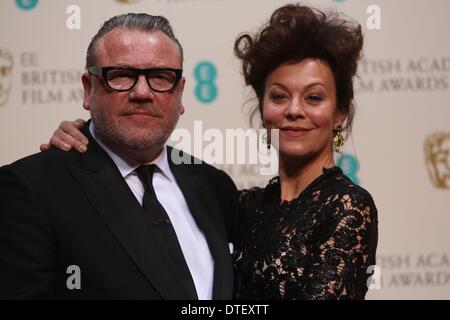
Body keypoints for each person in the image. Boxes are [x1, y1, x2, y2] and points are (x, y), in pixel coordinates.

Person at [41, 4, 379, 300]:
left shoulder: (347, 207)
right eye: (278, 96)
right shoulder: (239, 204)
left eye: (314, 97)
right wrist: (89, 134)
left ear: (340, 114)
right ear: (263, 110)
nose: (294, 110)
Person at [0, 13, 238, 299]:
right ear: (89, 89)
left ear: (181, 93)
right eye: (121, 76)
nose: (142, 92)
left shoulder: (216, 186)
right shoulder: (30, 189)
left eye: (160, 77)